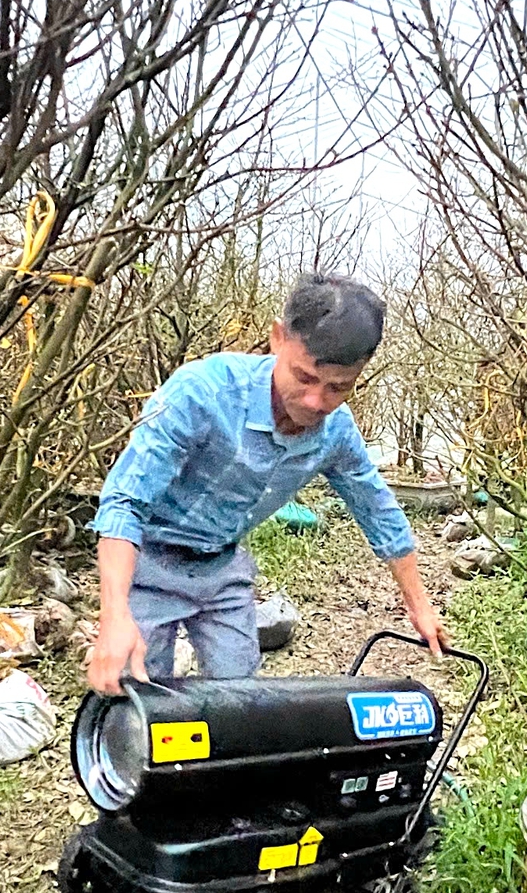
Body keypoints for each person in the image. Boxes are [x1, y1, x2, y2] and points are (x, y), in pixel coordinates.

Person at [86, 273, 446, 694]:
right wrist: (113, 616)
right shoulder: (203, 392)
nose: (316, 402)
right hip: (145, 563)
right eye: (305, 378)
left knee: (242, 695)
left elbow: (378, 510)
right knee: (137, 694)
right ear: (278, 338)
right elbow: (124, 501)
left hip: (222, 567)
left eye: (338, 388)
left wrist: (419, 605)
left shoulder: (336, 433)